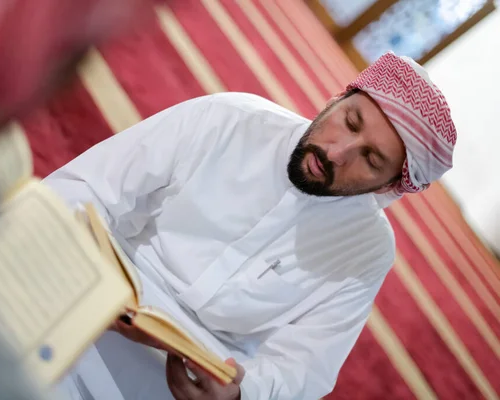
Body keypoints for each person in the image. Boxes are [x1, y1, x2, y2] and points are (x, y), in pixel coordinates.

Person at [45, 51, 457, 400]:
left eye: (370, 159)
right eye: (350, 121)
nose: (337, 152)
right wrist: (85, 267)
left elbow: (304, 369)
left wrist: (242, 391)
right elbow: (84, 188)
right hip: (96, 290)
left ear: (388, 186)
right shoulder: (231, 119)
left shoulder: (368, 249)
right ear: (337, 98)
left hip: (187, 376)